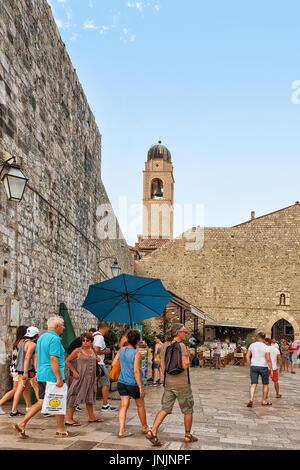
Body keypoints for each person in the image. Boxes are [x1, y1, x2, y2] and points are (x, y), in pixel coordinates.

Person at [12, 316, 78, 439]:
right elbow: (53, 359)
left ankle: (22, 423)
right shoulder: (55, 340)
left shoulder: (41, 338)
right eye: (62, 325)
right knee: (57, 400)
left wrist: (37, 372)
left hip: (42, 374)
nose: (64, 327)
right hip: (52, 375)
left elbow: (36, 357)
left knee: (42, 401)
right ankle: (61, 430)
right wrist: (58, 377)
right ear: (57, 326)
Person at [146, 323, 197, 446]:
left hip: (168, 383)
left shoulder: (164, 346)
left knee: (165, 408)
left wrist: (165, 377)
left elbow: (161, 364)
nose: (186, 333)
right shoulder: (182, 346)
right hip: (182, 384)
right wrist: (188, 354)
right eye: (184, 331)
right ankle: (187, 435)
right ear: (178, 333)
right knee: (188, 409)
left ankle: (153, 431)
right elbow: (185, 365)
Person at [112, 329, 148, 438]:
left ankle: (121, 431)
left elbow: (114, 363)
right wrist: (141, 388)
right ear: (138, 340)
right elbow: (136, 371)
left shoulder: (122, 350)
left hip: (122, 382)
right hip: (133, 383)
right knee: (140, 405)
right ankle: (144, 427)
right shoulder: (136, 353)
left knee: (123, 406)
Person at [65, 332, 104, 425]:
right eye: (83, 340)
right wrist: (74, 372)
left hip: (91, 378)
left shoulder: (93, 351)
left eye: (88, 340)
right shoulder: (78, 351)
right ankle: (69, 419)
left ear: (91, 342)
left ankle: (92, 417)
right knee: (74, 396)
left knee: (89, 397)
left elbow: (94, 360)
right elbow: (67, 361)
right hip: (80, 377)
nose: (85, 342)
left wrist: (97, 359)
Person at [0, 326, 31, 415]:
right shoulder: (23, 343)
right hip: (19, 368)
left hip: (15, 367)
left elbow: (14, 357)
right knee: (16, 389)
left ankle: (29, 407)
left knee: (26, 387)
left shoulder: (16, 343)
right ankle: (2, 404)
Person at [10, 326, 40, 417]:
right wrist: (26, 372)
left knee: (21, 389)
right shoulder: (32, 345)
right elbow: (27, 358)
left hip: (19, 369)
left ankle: (14, 410)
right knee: (36, 387)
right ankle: (43, 407)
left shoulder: (22, 343)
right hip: (28, 369)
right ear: (36, 335)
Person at [93, 322, 117, 412]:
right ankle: (105, 404)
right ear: (106, 328)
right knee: (106, 383)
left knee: (93, 383)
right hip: (99, 363)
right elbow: (96, 350)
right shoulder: (99, 337)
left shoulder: (94, 335)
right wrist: (106, 351)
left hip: (95, 363)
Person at [245, 331, 273, 407]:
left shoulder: (252, 345)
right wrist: (271, 369)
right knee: (265, 384)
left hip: (254, 366)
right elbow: (268, 359)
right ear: (264, 338)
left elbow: (247, 356)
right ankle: (264, 401)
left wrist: (250, 364)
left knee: (253, 384)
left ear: (258, 337)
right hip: (263, 367)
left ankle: (251, 399)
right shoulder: (266, 347)